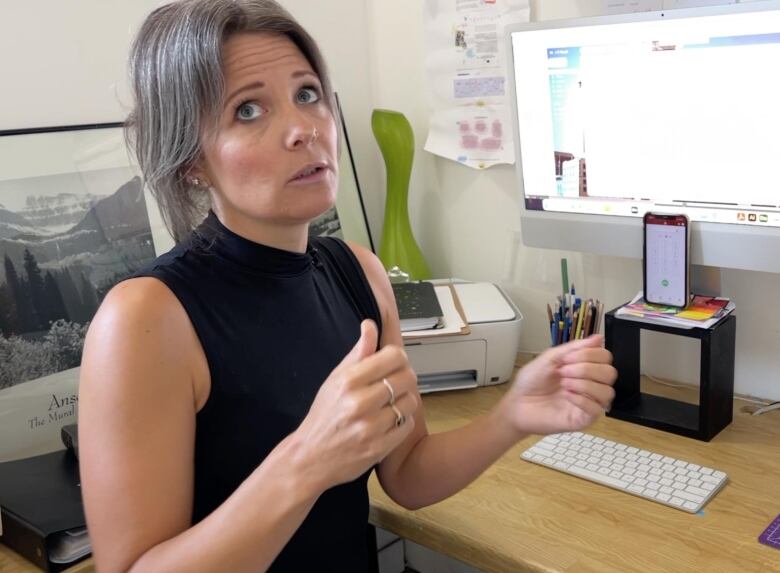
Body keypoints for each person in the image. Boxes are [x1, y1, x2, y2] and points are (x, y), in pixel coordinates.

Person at [77, 1, 617, 571]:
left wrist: (512, 415)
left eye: (307, 94)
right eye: (249, 109)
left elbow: (407, 473)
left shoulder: (359, 273)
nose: (302, 129)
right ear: (192, 161)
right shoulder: (145, 318)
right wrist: (308, 459)